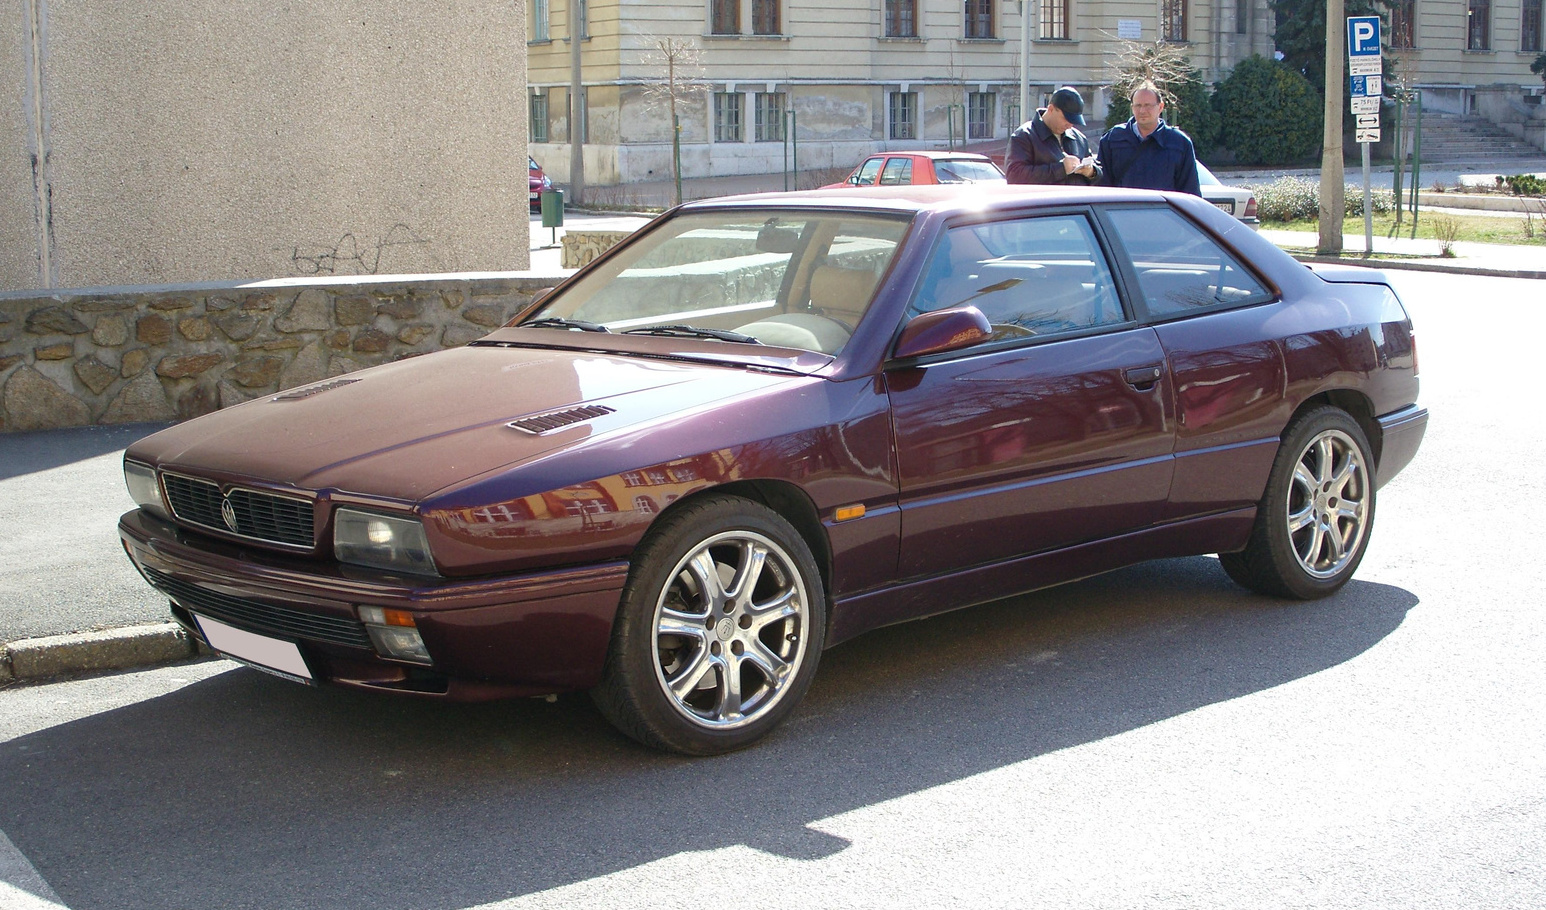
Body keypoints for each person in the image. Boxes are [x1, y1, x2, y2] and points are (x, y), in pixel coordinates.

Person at [1097, 83, 1201, 196]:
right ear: (1132, 107)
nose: (1142, 111)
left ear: (1160, 107)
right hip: (1122, 211)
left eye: (1148, 105)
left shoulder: (1179, 142)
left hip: (1162, 212)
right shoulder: (1113, 139)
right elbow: (1101, 186)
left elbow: (1191, 192)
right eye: (1138, 105)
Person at [1005, 87, 1101, 186]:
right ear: (1051, 109)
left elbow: (1100, 173)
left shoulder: (1078, 138)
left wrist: (1091, 172)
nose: (1070, 125)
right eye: (1066, 119)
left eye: (1073, 121)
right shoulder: (1024, 135)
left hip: (1076, 200)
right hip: (1044, 201)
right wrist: (1060, 169)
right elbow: (1014, 176)